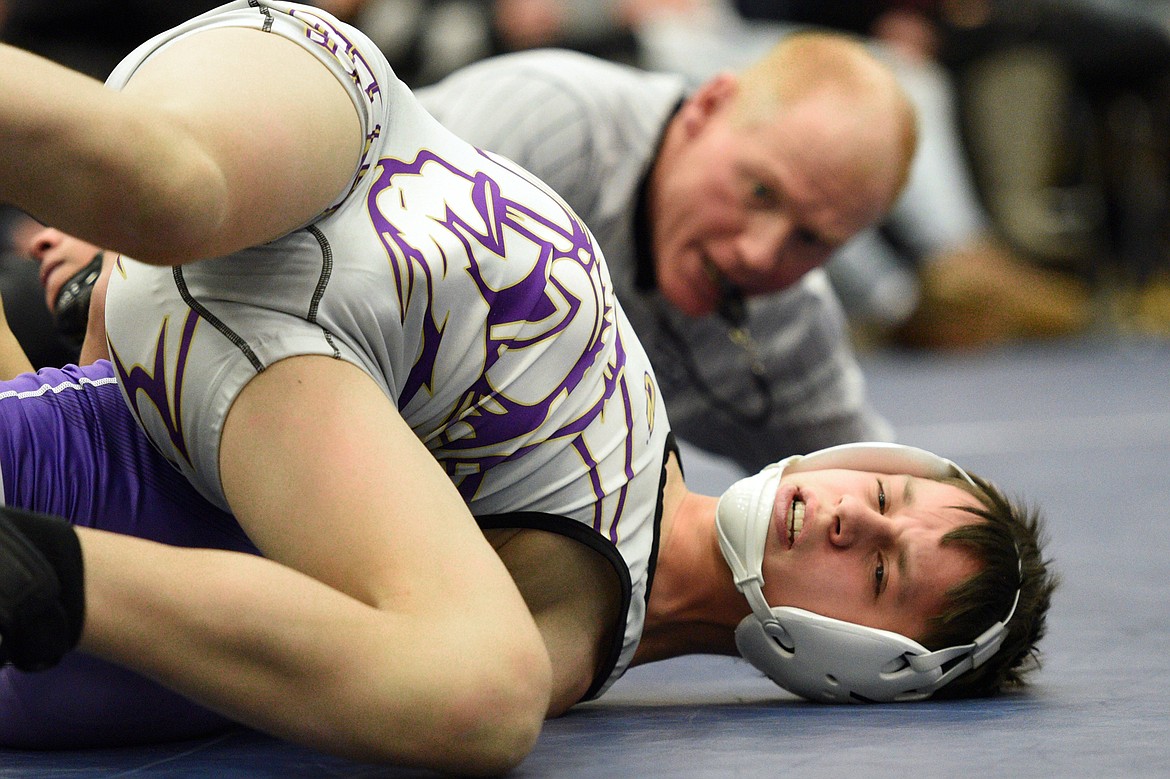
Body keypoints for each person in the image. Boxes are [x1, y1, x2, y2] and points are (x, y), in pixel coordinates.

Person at [0, 2, 1053, 772]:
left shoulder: (564, 617)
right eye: (879, 497)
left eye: (876, 572)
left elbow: (440, 679)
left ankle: (40, 564)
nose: (842, 518)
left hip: (269, 340)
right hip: (342, 117)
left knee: (488, 692)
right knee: (174, 186)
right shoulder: (561, 108)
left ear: (859, 669)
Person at [418, 32, 915, 473]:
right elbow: (373, 307)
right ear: (709, 105)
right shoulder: (555, 124)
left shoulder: (786, 323)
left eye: (811, 239)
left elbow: (882, 488)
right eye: (762, 192)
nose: (760, 256)